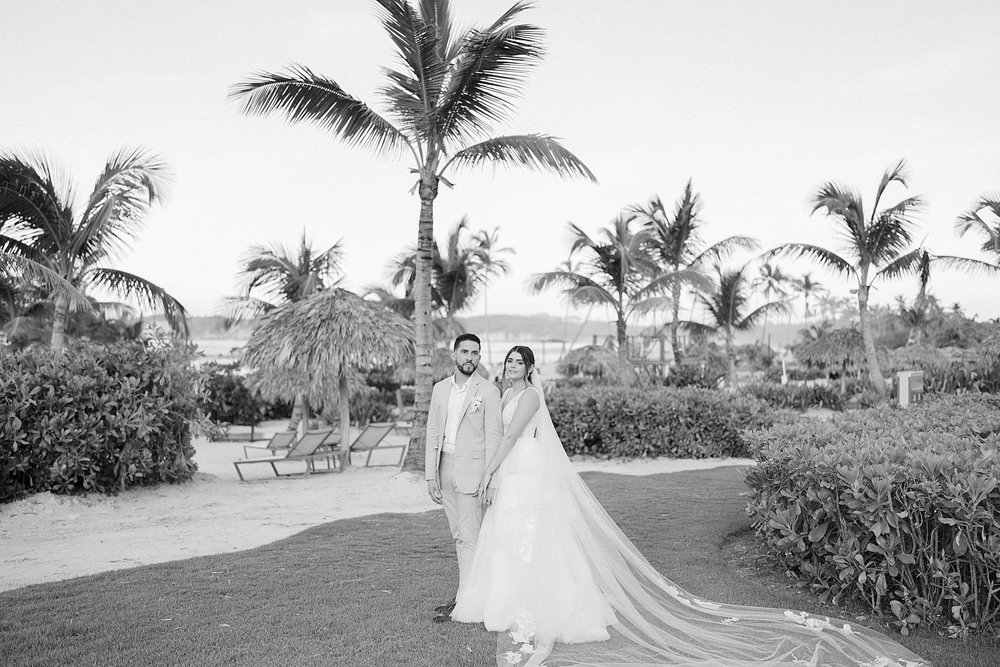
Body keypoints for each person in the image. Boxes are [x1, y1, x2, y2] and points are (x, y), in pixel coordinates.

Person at [452, 345, 929, 667]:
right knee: (513, 539)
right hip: (512, 469)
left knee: (536, 537)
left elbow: (513, 436)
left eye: (519, 361)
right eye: (509, 360)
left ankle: (551, 603)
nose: (511, 365)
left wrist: (491, 472)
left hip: (525, 469)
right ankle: (507, 598)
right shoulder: (506, 392)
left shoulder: (531, 396)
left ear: (530, 367)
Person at [425, 333, 503, 623]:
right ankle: (464, 595)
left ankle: (468, 603)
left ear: (479, 358)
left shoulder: (489, 392)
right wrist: (430, 475)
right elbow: (433, 432)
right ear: (454, 355)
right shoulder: (439, 389)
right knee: (459, 536)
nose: (470, 357)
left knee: (470, 538)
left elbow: (494, 438)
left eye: (475, 353)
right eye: (465, 352)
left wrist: (491, 479)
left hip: (473, 473)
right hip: (444, 468)